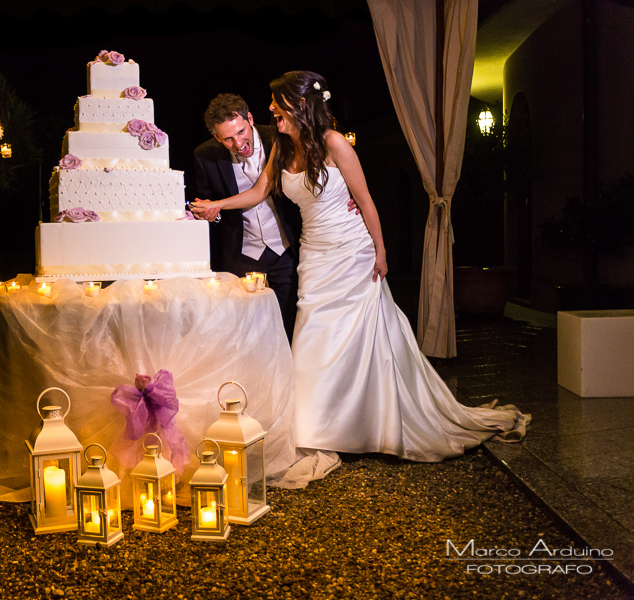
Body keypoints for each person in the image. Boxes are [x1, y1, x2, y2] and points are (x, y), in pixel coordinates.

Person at [192, 71, 529, 461]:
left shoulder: (334, 143)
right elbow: (257, 192)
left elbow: (365, 200)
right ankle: (320, 426)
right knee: (314, 338)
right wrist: (217, 205)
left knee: (360, 338)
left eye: (276, 104)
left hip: (352, 251)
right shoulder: (281, 148)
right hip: (314, 255)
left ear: (300, 106)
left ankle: (371, 423)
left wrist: (381, 252)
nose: (270, 110)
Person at [191, 94, 302, 342]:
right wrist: (211, 215)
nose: (238, 143)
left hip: (284, 250)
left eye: (241, 132)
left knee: (287, 324)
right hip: (243, 257)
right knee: (248, 331)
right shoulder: (205, 156)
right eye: (228, 138)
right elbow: (209, 206)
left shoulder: (279, 139)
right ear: (217, 137)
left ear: (250, 118)